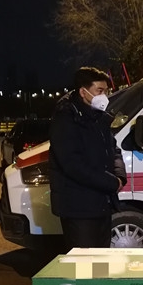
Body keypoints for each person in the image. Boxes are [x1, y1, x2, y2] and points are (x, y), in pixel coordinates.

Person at [49, 66, 127, 251]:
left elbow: (113, 149)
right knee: (84, 263)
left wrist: (119, 175)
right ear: (83, 92)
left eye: (106, 91)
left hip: (102, 204)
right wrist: (111, 182)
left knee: (101, 260)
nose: (104, 96)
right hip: (79, 208)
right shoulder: (66, 119)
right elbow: (73, 165)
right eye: (99, 91)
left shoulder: (99, 117)